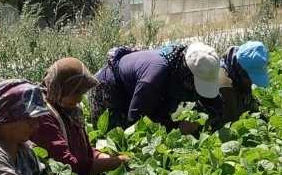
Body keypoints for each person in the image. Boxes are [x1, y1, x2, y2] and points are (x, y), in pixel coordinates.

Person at [90, 41, 223, 133]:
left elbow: (213, 102)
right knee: (114, 136)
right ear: (187, 74)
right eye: (195, 84)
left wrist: (217, 118)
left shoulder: (180, 61)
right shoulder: (153, 79)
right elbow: (136, 123)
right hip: (111, 86)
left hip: (139, 88)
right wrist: (176, 127)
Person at [33, 58, 127, 175]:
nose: (80, 99)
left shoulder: (70, 110)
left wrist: (103, 157)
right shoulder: (43, 116)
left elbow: (85, 151)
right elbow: (68, 165)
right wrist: (115, 162)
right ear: (61, 89)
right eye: (75, 93)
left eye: (82, 93)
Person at [206, 40, 271, 129]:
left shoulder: (236, 70)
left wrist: (266, 121)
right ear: (241, 70)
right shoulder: (224, 86)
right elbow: (232, 124)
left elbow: (250, 103)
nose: (252, 82)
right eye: (251, 78)